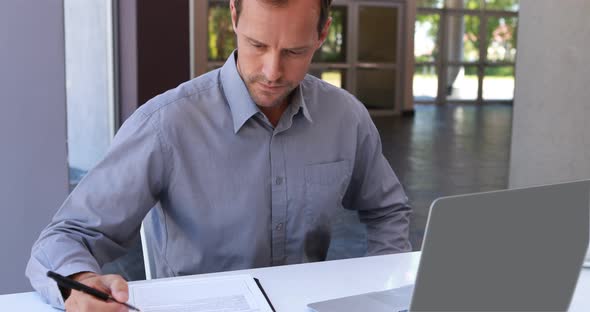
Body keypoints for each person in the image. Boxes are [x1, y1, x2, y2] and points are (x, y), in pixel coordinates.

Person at [26, 0, 412, 310]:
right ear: (233, 16)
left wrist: (384, 291)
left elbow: (387, 210)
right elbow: (62, 239)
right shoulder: (165, 125)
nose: (272, 71)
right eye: (257, 45)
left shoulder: (345, 117)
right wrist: (78, 285)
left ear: (322, 34)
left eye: (294, 51)